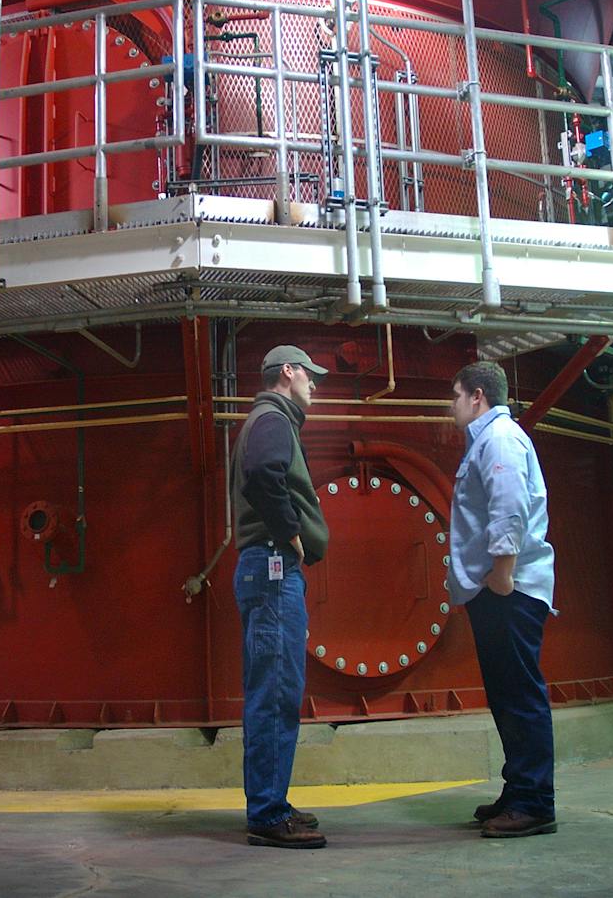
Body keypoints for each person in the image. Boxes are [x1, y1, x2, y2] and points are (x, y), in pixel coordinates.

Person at [448, 359, 557, 838]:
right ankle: (519, 792)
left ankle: (535, 803)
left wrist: (502, 573)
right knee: (508, 697)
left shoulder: (500, 439)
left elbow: (509, 506)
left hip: (508, 589)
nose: (450, 407)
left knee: (520, 695)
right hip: (496, 589)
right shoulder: (489, 440)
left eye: (455, 396)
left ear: (477, 397)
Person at [230, 344, 332, 850]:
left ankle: (272, 802)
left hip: (267, 571)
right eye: (310, 375)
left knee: (277, 690)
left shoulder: (269, 419)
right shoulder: (272, 418)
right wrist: (291, 534)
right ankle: (268, 814)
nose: (314, 384)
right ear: (287, 372)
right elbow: (263, 476)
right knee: (274, 693)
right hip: (273, 568)